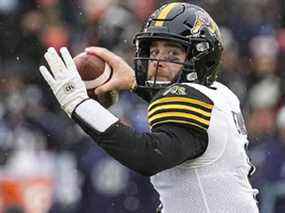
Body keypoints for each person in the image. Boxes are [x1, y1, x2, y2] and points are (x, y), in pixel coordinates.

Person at [39, 2, 259, 213]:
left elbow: (149, 155)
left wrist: (79, 105)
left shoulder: (192, 99)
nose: (158, 62)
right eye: (154, 53)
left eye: (173, 53)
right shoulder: (221, 94)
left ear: (201, 57)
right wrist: (134, 83)